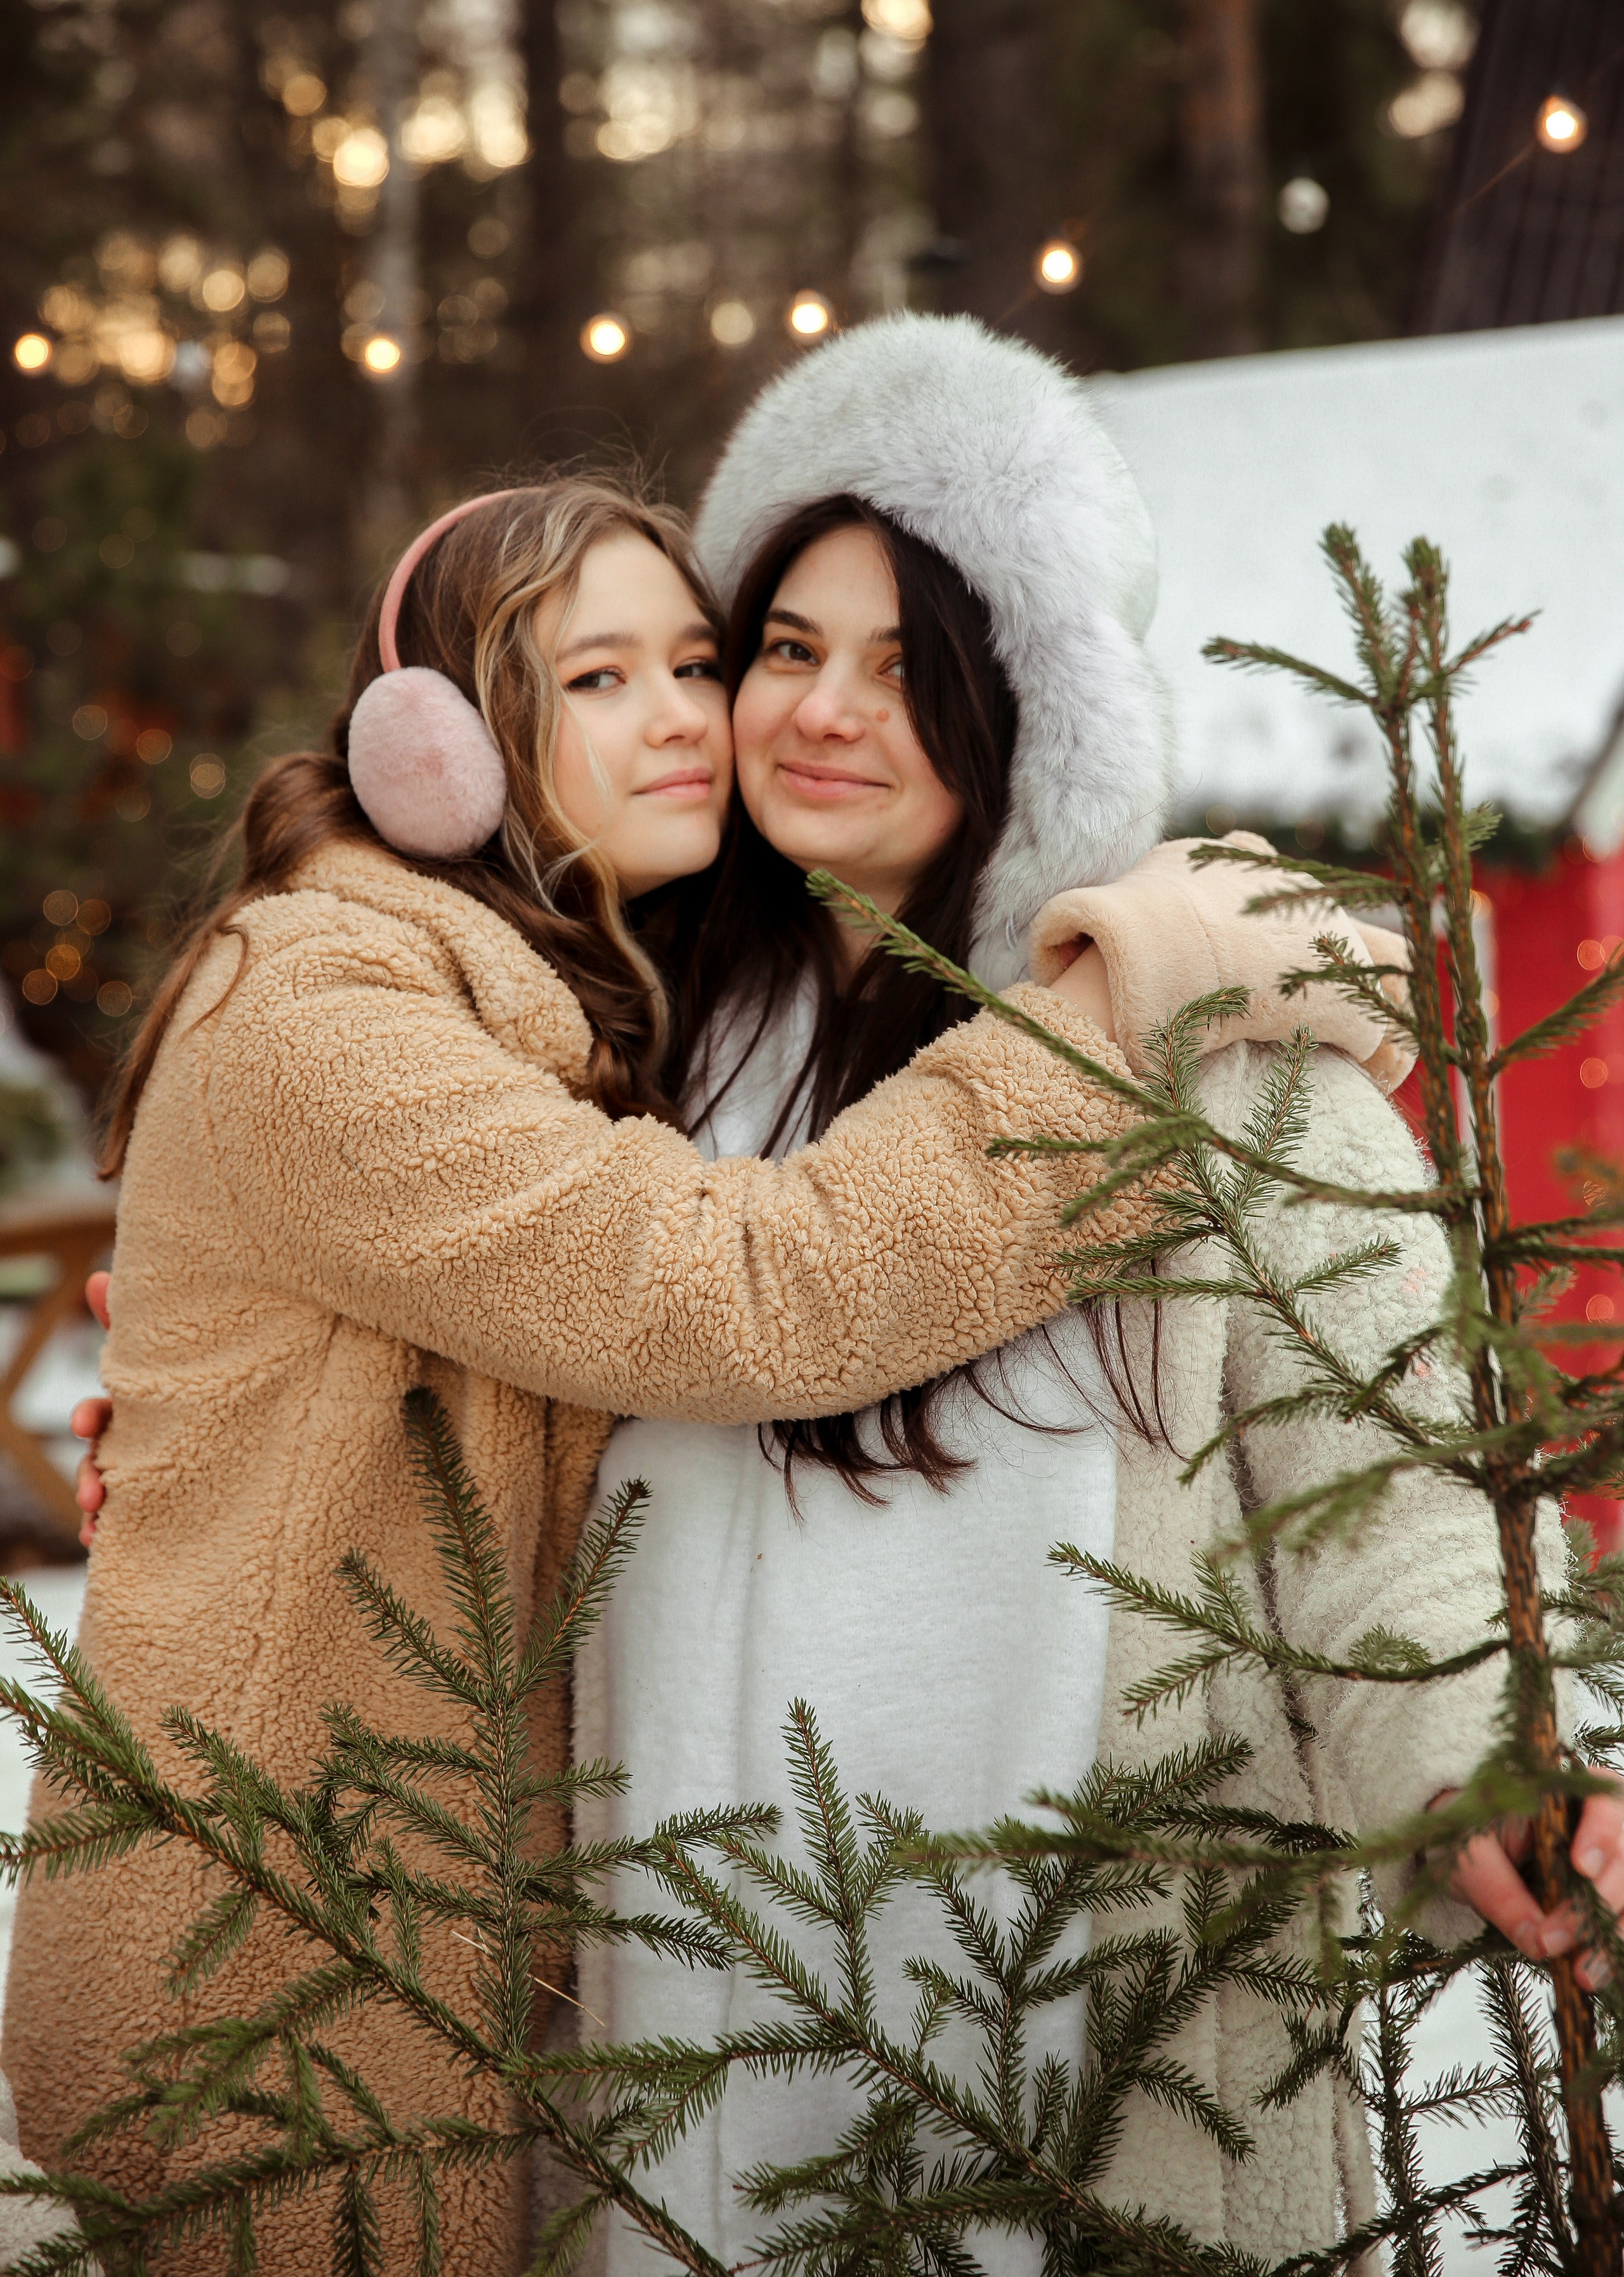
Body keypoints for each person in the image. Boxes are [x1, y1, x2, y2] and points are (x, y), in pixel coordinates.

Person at [10, 466, 1351, 2277]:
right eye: (599, 678)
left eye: (697, 664)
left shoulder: (546, 997)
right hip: (264, 1971)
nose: (687, 721)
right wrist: (1121, 1019)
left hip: (390, 1922)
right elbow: (746, 1292)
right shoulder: (329, 1011)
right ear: (436, 747)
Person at [570, 314, 1624, 2267]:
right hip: (676, 2036)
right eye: (787, 646)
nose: (824, 710)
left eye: (907, 665)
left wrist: (1490, 1750)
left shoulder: (1219, 1065)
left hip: (1090, 2051)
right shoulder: (628, 1054)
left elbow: (1389, 1492)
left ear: (1025, 710)